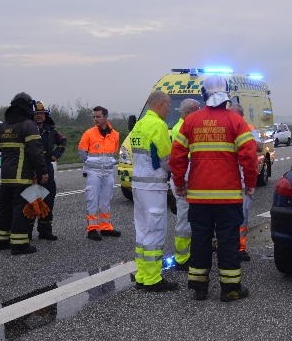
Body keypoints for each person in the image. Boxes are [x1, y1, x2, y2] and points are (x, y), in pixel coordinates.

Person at [171, 75, 258, 302]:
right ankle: (230, 289)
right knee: (228, 241)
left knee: (200, 240)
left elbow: (177, 156)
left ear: (203, 93)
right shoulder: (236, 122)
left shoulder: (191, 121)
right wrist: (250, 184)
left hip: (199, 196)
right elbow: (249, 156)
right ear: (226, 92)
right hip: (228, 197)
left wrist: (179, 183)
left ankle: (199, 288)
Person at [130, 91, 178, 292]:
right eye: (168, 105)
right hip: (153, 187)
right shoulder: (157, 125)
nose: (169, 109)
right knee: (155, 232)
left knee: (142, 232)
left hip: (138, 186)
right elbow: (167, 159)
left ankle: (142, 275)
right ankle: (153, 279)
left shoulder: (139, 124)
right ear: (160, 104)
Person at [0, 92, 48, 255]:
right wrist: (42, 172)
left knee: (4, 208)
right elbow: (36, 153)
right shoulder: (28, 125)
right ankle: (19, 245)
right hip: (22, 177)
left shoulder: (3, 126)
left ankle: (0, 241)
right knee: (20, 210)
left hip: (6, 177)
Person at [78, 106, 120, 240]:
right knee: (92, 199)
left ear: (105, 117)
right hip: (94, 172)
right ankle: (92, 229)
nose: (95, 119)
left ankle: (106, 227)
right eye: (94, 117)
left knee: (105, 201)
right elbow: (82, 153)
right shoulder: (89, 133)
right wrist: (91, 165)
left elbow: (114, 152)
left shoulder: (115, 134)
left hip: (108, 172)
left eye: (98, 116)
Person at [27, 101, 67, 241]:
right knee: (31, 201)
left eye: (41, 114)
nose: (39, 116)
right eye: (37, 114)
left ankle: (45, 230)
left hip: (47, 167)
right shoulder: (28, 129)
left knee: (48, 200)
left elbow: (63, 141)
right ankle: (27, 232)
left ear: (45, 115)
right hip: (31, 168)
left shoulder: (51, 130)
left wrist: (56, 154)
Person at [169, 98, 201, 271]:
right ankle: (181, 258)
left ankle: (187, 253)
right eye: (198, 110)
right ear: (190, 112)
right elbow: (181, 159)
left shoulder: (183, 126)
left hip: (186, 178)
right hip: (185, 179)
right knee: (184, 219)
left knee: (190, 218)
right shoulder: (183, 128)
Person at [230, 103, 258, 262]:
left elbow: (254, 152)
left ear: (239, 115)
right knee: (227, 216)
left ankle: (239, 248)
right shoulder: (226, 126)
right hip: (228, 181)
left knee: (242, 216)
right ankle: (227, 245)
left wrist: (250, 183)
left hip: (241, 180)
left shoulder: (248, 128)